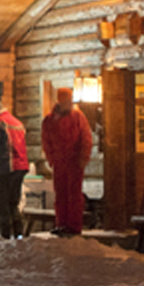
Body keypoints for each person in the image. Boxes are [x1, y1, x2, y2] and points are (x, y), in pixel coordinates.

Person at [40, 86, 94, 235]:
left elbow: (86, 139)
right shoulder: (49, 120)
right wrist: (51, 159)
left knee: (74, 194)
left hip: (74, 162)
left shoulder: (78, 117)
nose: (67, 102)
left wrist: (83, 158)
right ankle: (62, 223)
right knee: (61, 194)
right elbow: (46, 141)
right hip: (59, 162)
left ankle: (74, 226)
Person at [0, 97, 31, 239]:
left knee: (2, 204)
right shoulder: (17, 122)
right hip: (21, 166)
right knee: (14, 202)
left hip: (7, 167)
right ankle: (19, 234)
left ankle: (5, 235)